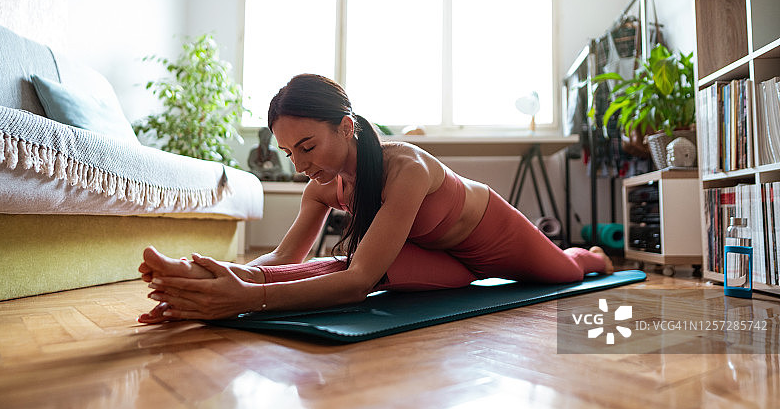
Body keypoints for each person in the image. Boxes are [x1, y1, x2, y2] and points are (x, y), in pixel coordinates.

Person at [138, 74, 613, 323]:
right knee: (359, 262)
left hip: (492, 238)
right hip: (442, 261)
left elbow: (356, 284)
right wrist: (221, 277)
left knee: (567, 273)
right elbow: (285, 258)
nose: (299, 165)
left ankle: (590, 255)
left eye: (307, 147)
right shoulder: (321, 185)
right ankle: (194, 273)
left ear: (346, 128)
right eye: (289, 153)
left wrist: (247, 300)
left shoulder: (406, 169)